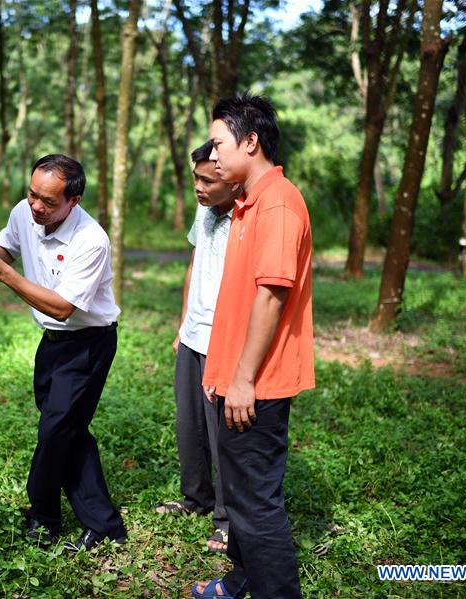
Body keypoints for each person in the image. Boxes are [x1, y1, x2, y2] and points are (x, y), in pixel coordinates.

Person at [0, 154, 127, 553]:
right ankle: (105, 525)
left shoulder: (92, 241)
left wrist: (4, 274)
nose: (37, 206)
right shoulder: (26, 212)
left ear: (73, 201)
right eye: (33, 194)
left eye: (48, 202)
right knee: (67, 430)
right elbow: (8, 245)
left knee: (55, 431)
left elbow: (61, 307)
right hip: (52, 343)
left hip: (88, 343)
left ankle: (42, 516)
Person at [191, 93, 315, 599]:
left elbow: (271, 296)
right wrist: (218, 374)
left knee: (257, 504)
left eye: (219, 144)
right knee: (240, 497)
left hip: (256, 385)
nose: (212, 155)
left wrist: (241, 380)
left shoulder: (279, 202)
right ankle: (241, 579)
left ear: (250, 141)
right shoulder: (246, 203)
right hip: (232, 377)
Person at [155, 141, 241, 554]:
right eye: (196, 178)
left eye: (208, 180)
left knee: (222, 433)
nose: (199, 187)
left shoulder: (246, 221)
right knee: (189, 426)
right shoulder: (205, 209)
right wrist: (182, 322)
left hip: (222, 341)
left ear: (233, 180)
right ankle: (197, 499)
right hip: (193, 335)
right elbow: (195, 263)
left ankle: (228, 519)